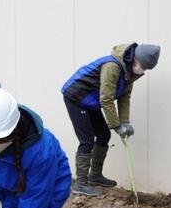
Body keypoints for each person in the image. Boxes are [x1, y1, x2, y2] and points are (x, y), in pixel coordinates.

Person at [61, 43, 160, 196]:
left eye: (146, 68)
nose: (143, 70)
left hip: (91, 101)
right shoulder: (112, 66)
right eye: (143, 65)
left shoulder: (131, 74)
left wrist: (125, 122)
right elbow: (106, 99)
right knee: (86, 140)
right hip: (76, 97)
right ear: (135, 58)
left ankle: (95, 176)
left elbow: (124, 98)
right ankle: (80, 184)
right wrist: (116, 125)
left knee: (103, 135)